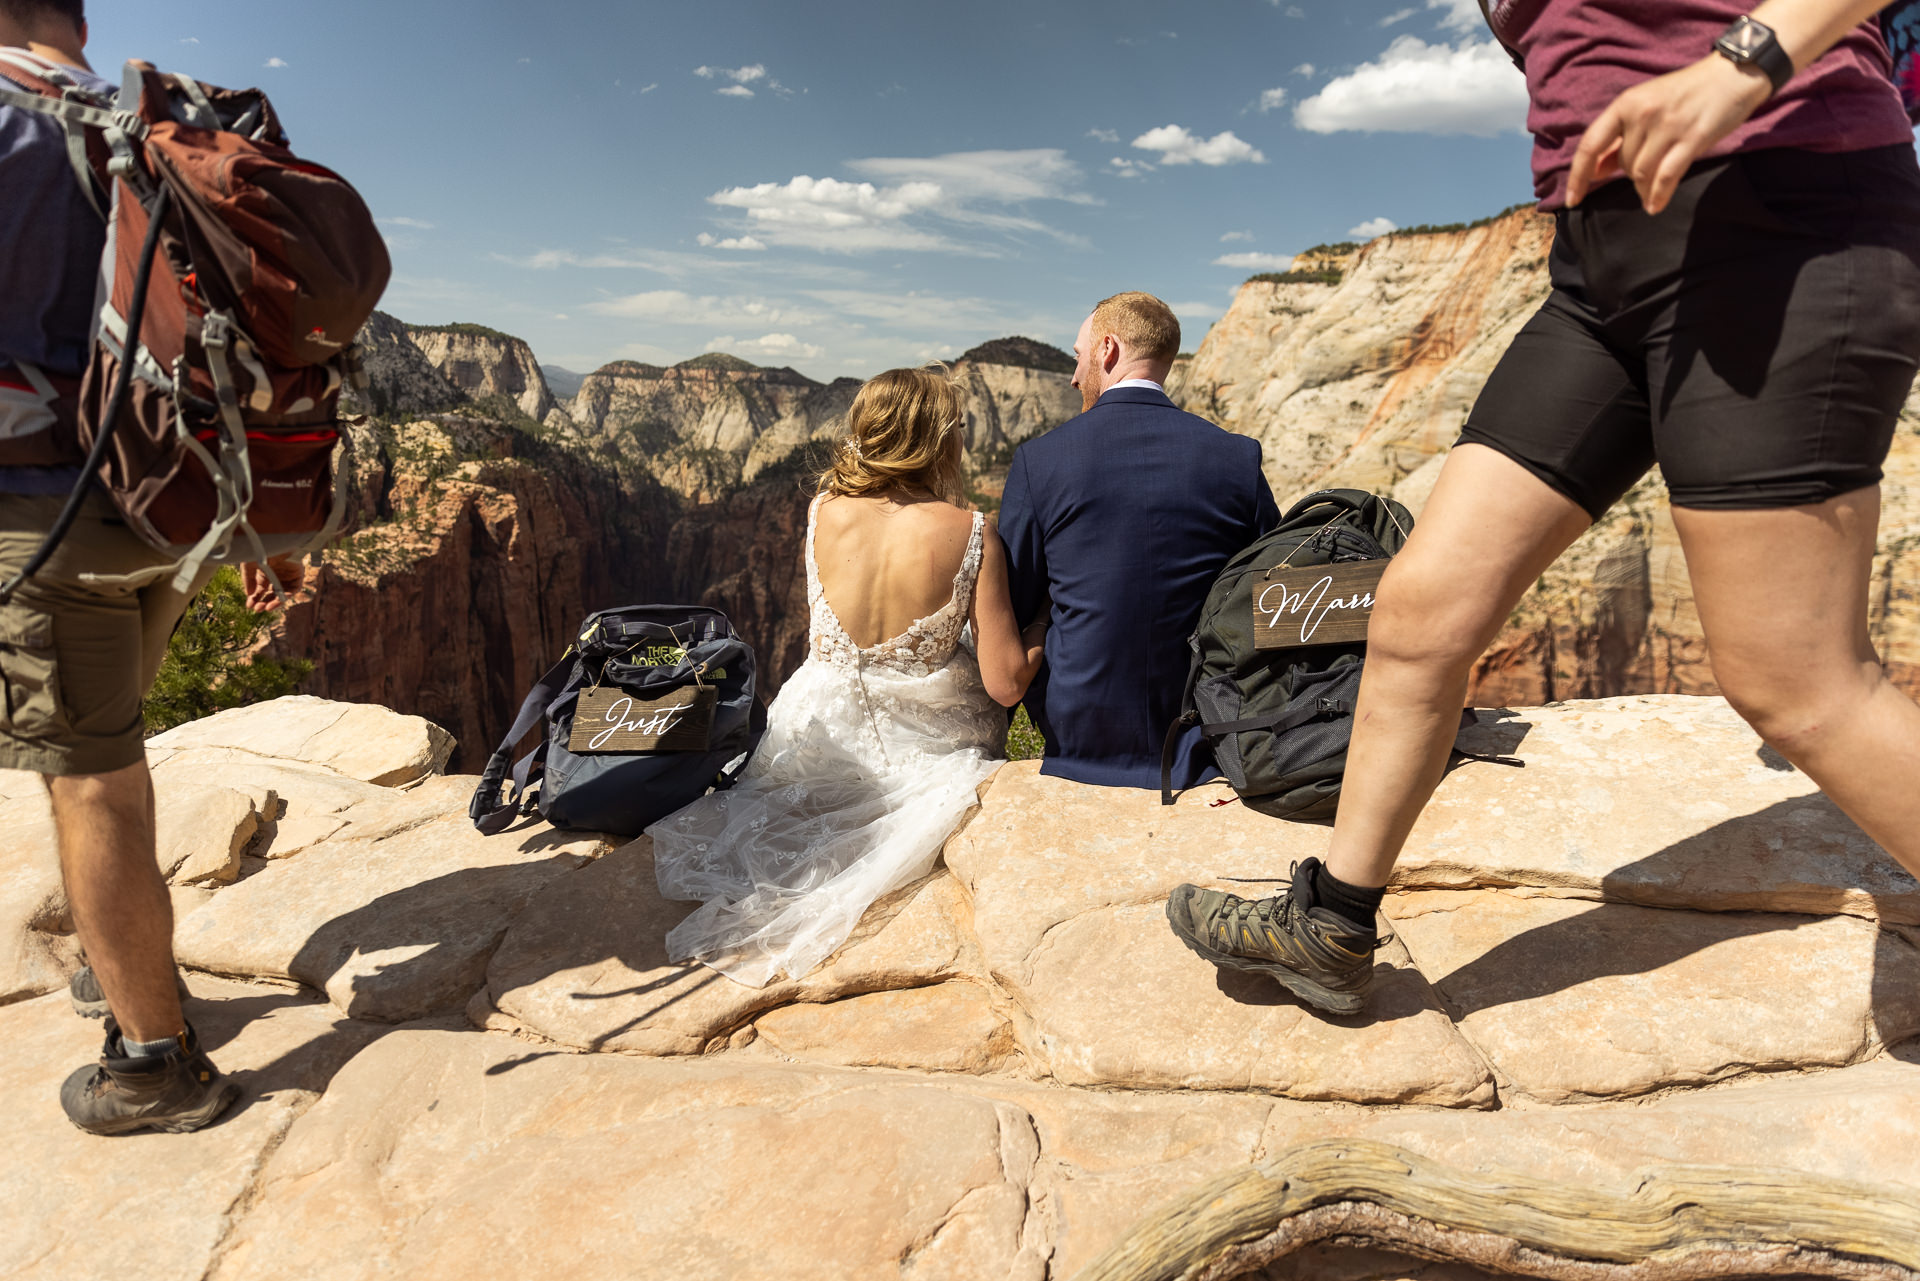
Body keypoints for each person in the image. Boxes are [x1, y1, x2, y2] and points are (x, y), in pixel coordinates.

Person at [1168, 0, 1920, 1015]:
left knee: (1796, 679)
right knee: (1421, 610)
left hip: (1779, 218)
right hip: (1604, 275)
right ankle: (1332, 923)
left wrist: (1741, 62)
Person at [0, 0, 297, 1133]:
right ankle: (121, 959)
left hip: (43, 511)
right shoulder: (146, 118)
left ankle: (155, 1058)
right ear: (72, 19)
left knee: (89, 778)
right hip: (173, 510)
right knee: (109, 749)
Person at [648, 366, 1045, 987]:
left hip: (810, 736)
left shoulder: (823, 510)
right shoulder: (972, 532)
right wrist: (1048, 623)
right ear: (938, 437)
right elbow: (1006, 684)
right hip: (927, 751)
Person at [999, 291, 1281, 790]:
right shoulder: (1237, 457)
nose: (1073, 375)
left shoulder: (1040, 460)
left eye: (1078, 356)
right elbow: (1270, 594)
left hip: (1079, 731)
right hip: (1203, 728)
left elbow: (1014, 603)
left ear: (1107, 350)